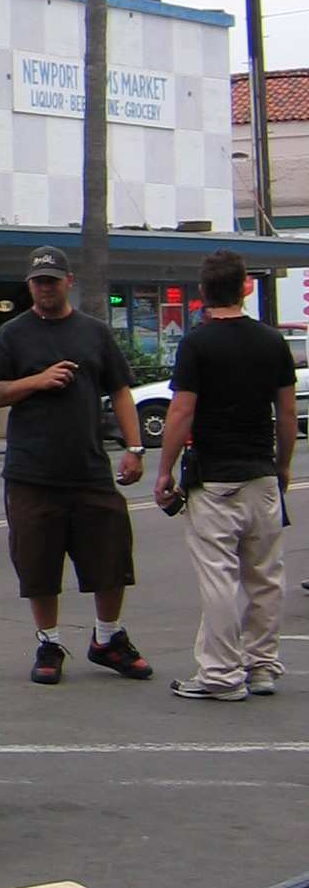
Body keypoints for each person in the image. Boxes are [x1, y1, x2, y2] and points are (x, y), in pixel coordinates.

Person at [0, 246, 152, 686]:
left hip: (90, 468)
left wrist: (134, 447)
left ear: (68, 281)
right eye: (38, 281)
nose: (45, 287)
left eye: (53, 280)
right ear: (29, 285)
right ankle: (49, 643)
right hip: (32, 472)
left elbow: (121, 390)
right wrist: (36, 381)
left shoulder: (93, 332)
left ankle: (107, 638)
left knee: (110, 556)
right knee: (38, 563)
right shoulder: (14, 335)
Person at [156, 249, 296, 701]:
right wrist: (283, 465)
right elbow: (287, 413)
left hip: (214, 478)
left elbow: (181, 411)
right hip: (260, 473)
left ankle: (221, 674)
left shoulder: (197, 344)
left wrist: (164, 470)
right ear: (244, 288)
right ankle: (262, 666)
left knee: (219, 578)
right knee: (265, 576)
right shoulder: (272, 342)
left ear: (202, 292)